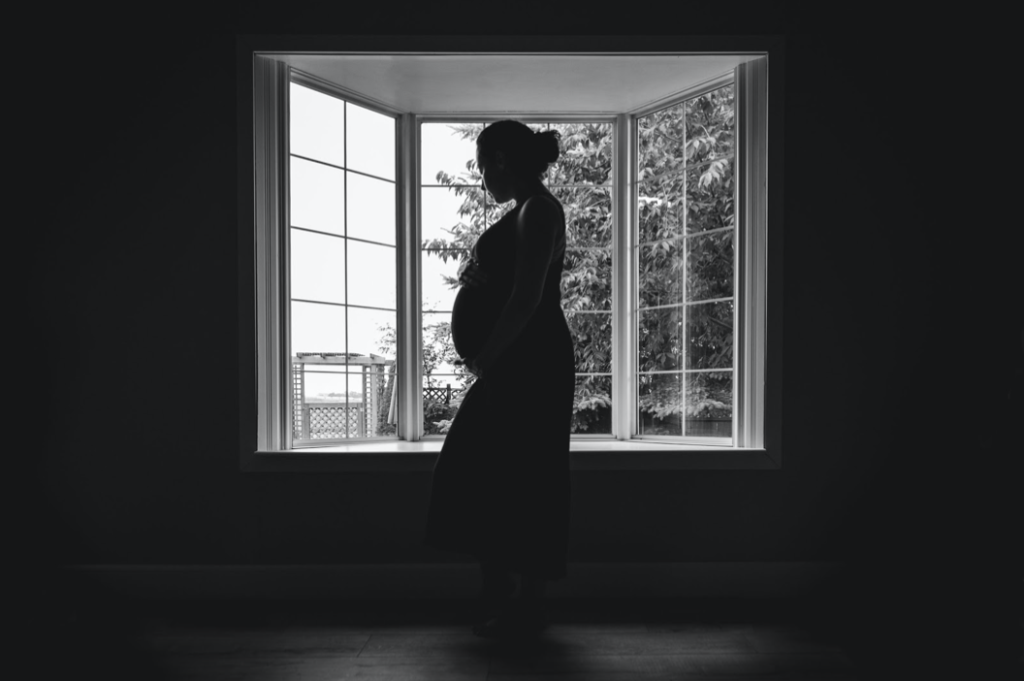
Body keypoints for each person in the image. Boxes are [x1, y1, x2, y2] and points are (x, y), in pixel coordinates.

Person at [422, 120, 575, 638]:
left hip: (531, 361)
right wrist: (474, 278)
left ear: (504, 160)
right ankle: (502, 588)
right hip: (513, 359)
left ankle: (526, 601)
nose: (484, 176)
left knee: (531, 475)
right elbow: (505, 282)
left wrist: (486, 354)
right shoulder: (522, 213)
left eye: (485, 164)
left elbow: (529, 296)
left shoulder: (540, 209)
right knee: (472, 466)